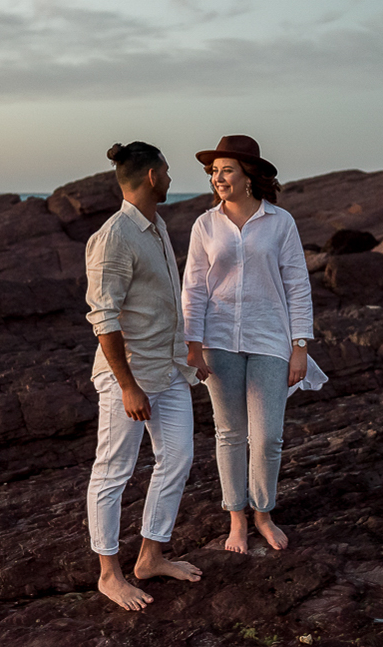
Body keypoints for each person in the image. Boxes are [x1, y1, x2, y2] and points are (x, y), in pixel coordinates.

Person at [182, 135, 326, 554]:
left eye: (226, 169)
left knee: (267, 437)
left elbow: (298, 284)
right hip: (218, 339)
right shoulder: (205, 225)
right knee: (229, 433)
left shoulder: (280, 222)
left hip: (270, 339)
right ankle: (237, 519)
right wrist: (192, 343)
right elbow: (193, 287)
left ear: (249, 176)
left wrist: (300, 345)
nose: (218, 177)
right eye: (213, 171)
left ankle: (263, 512)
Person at [85, 141, 202, 611]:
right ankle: (109, 574)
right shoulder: (115, 236)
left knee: (177, 457)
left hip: (170, 369)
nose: (172, 180)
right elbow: (103, 318)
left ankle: (150, 556)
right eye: (168, 172)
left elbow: (166, 303)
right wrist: (128, 384)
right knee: (113, 472)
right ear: (152, 176)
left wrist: (189, 351)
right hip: (127, 378)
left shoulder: (155, 227)